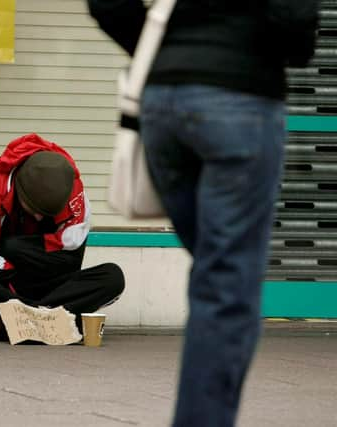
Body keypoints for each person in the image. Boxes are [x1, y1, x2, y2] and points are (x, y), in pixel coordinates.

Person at [88, 0, 319, 425]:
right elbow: (296, 23)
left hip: (163, 104)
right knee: (226, 287)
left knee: (217, 274)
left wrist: (168, 51)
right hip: (239, 101)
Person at [0, 133, 125, 342]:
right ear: (18, 187)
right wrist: (30, 306)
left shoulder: (73, 195)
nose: (38, 217)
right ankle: (46, 324)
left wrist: (27, 291)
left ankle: (5, 327)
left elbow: (66, 262)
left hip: (32, 285)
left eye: (47, 214)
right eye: (33, 208)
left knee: (112, 277)